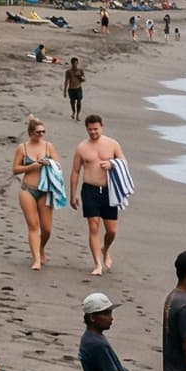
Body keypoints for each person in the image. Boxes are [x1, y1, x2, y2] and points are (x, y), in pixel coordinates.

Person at [68, 114, 126, 276]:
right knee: (93, 226)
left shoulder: (112, 144)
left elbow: (123, 162)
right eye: (90, 129)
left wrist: (112, 163)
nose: (93, 132)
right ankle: (97, 263)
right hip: (89, 190)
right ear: (86, 129)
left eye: (96, 129)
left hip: (109, 191)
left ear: (102, 127)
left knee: (112, 230)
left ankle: (105, 249)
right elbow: (75, 171)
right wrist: (72, 195)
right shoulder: (82, 148)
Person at [10, 117, 59, 270]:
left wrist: (49, 163)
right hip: (27, 189)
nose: (41, 134)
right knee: (33, 226)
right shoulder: (22, 148)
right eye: (38, 132)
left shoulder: (48, 146)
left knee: (47, 229)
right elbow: (15, 169)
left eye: (43, 132)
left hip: (45, 190)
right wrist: (32, 166)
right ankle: (36, 259)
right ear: (31, 132)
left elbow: (57, 166)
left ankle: (41, 247)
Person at [63, 56, 85, 121]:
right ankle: (73, 112)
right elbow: (66, 81)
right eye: (74, 63)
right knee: (72, 102)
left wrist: (80, 76)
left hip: (78, 88)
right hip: (71, 89)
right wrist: (64, 91)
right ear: (72, 64)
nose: (75, 65)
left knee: (79, 102)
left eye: (77, 63)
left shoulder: (80, 70)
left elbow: (84, 80)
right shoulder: (68, 71)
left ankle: (78, 115)